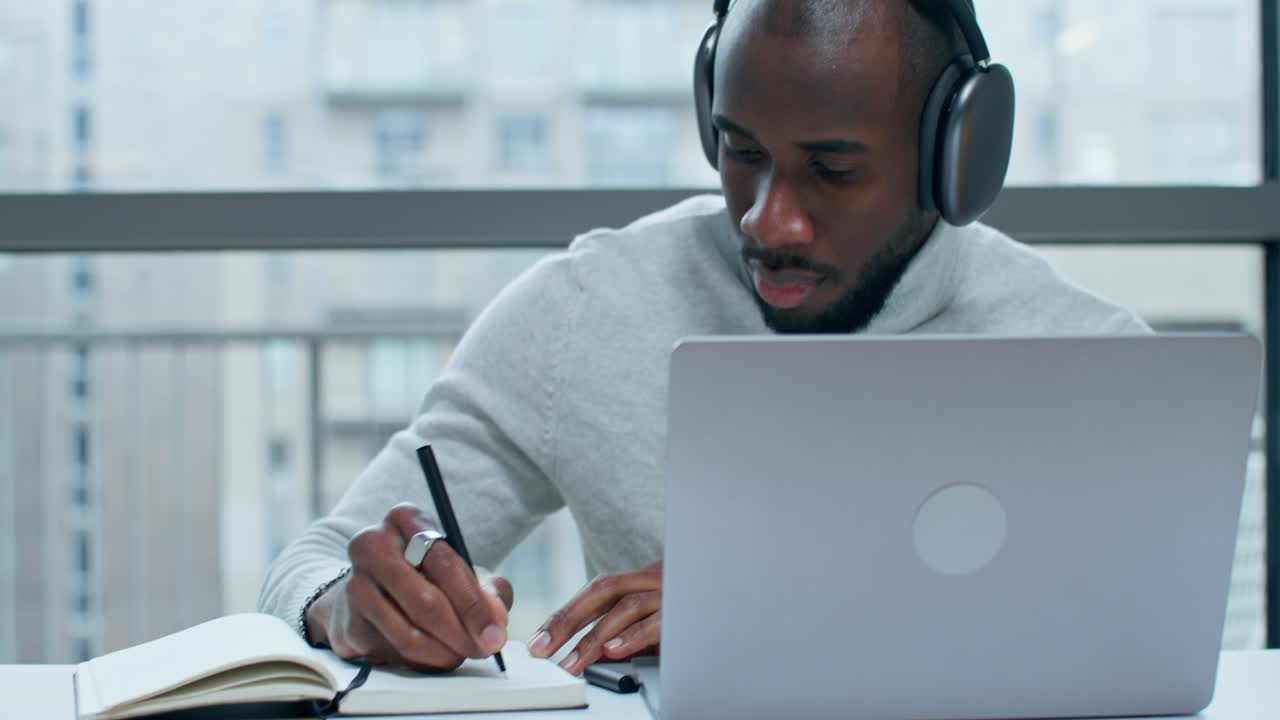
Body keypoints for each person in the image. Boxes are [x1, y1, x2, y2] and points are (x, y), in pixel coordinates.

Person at [259, 0, 1147, 678]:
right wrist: (348, 610)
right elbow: (312, 565)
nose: (770, 222)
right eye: (740, 150)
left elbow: (1136, 647)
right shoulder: (587, 307)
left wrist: (773, 612)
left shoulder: (1097, 362)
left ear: (956, 157)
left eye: (832, 169)